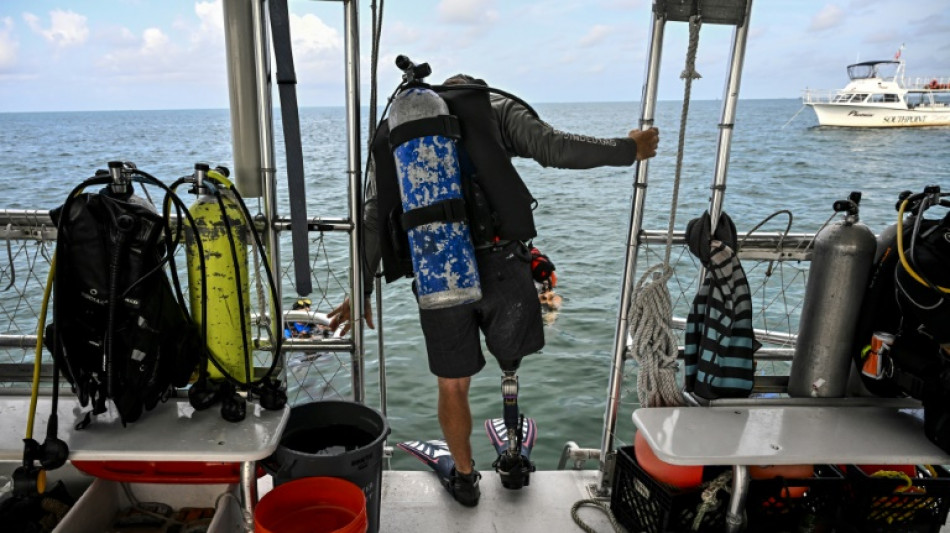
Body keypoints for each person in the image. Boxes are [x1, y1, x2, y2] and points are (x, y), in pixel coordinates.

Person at [329, 73, 659, 506]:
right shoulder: (494, 110)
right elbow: (553, 147)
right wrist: (628, 149)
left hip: (438, 270)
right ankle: (510, 432)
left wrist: (360, 290)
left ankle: (464, 478)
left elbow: (375, 215)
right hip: (501, 264)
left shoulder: (399, 131)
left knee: (452, 385)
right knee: (510, 358)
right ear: (475, 92)